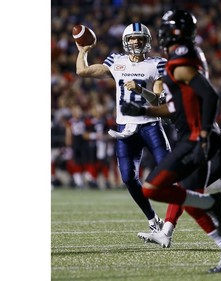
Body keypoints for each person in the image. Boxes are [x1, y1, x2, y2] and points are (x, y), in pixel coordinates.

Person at [121, 9, 221, 273]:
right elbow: (176, 108)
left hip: (199, 142)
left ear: (173, 31)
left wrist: (203, 135)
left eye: (164, 28)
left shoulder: (179, 62)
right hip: (218, 146)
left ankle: (207, 214)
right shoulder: (181, 59)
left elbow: (210, 96)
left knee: (157, 189)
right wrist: (144, 111)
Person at [75, 22, 183, 233]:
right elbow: (82, 71)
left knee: (171, 174)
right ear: (126, 41)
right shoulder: (116, 61)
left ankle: (182, 215)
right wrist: (82, 51)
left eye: (139, 39)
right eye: (131, 39)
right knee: (127, 177)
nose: (135, 42)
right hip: (125, 128)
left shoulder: (156, 63)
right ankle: (153, 219)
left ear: (146, 41)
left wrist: (142, 90)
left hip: (150, 125)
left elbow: (159, 99)